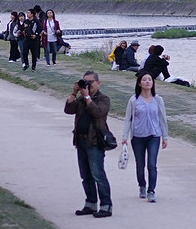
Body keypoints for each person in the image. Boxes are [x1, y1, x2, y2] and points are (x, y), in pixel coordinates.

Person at [64, 70, 113, 218]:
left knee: (98, 175)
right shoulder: (80, 99)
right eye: (85, 82)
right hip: (80, 141)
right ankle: (90, 204)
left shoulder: (103, 99)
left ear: (98, 83)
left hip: (95, 142)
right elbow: (68, 110)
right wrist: (74, 93)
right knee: (86, 175)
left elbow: (98, 112)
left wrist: (86, 96)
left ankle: (106, 206)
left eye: (90, 82)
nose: (87, 85)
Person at [122, 72, 168, 203]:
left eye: (150, 80)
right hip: (138, 136)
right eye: (144, 80)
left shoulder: (158, 99)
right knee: (140, 164)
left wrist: (165, 136)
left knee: (152, 164)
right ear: (139, 83)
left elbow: (162, 118)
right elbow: (128, 119)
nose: (147, 82)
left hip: (154, 135)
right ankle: (142, 185)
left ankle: (151, 190)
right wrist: (125, 136)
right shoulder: (133, 100)